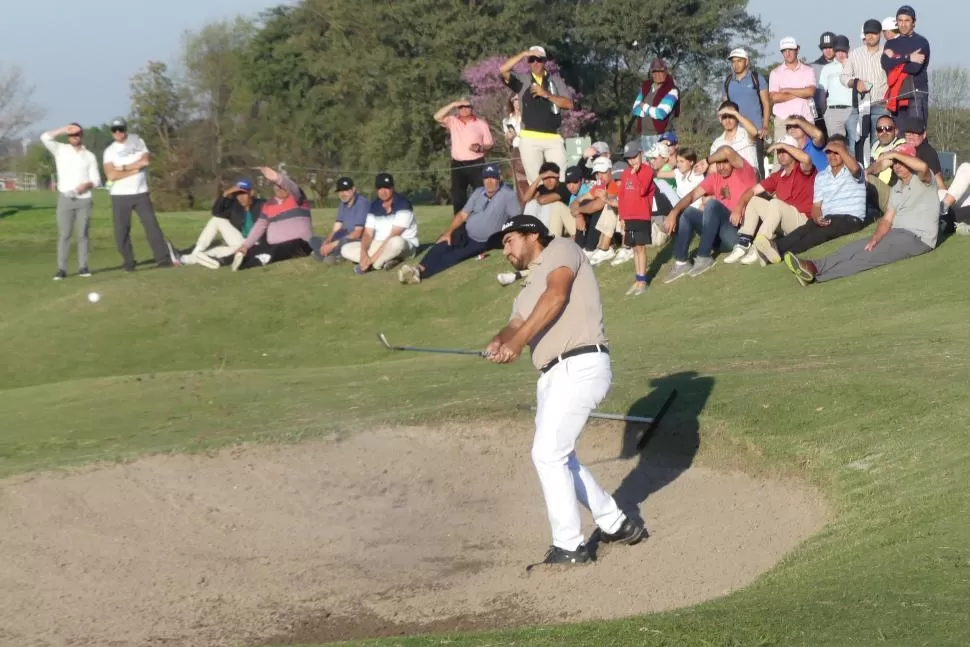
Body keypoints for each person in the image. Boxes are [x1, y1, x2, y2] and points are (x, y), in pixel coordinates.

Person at [483, 215, 646, 568]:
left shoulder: (562, 249)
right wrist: (501, 340)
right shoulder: (528, 287)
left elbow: (557, 295)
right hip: (552, 375)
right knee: (560, 457)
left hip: (580, 363)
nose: (504, 250)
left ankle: (570, 546)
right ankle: (616, 523)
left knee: (547, 453)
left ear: (531, 235)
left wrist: (519, 341)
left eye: (509, 240)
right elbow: (515, 323)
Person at [785, 143, 938, 285]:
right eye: (895, 163)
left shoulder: (923, 178)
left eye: (900, 162)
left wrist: (893, 154)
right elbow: (887, 219)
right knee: (855, 247)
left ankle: (817, 277)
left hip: (919, 237)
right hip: (897, 233)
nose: (897, 166)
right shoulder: (897, 187)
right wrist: (876, 238)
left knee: (868, 257)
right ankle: (814, 266)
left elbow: (923, 166)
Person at [397, 164, 519, 284]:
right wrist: (448, 232)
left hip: (483, 241)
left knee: (454, 256)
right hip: (466, 231)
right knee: (443, 242)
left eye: (493, 178)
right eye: (487, 178)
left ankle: (422, 274)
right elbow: (462, 215)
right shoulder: (478, 192)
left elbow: (517, 218)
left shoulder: (508, 196)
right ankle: (417, 269)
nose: (490, 182)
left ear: (500, 178)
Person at [662, 146, 758, 283]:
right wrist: (673, 212)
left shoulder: (744, 172)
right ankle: (681, 263)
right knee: (688, 212)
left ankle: (703, 256)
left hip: (736, 235)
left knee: (712, 205)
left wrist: (707, 161)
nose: (721, 167)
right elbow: (692, 196)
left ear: (733, 162)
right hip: (716, 237)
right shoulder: (715, 178)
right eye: (718, 163)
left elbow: (727, 151)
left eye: (725, 162)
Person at [724, 136, 816, 265]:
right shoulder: (778, 175)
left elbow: (806, 159)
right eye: (778, 152)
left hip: (802, 222)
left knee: (775, 202)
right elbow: (751, 191)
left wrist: (783, 145)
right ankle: (745, 242)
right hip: (783, 222)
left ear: (794, 151)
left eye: (784, 151)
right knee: (754, 200)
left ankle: (759, 246)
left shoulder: (803, 170)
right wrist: (739, 207)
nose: (781, 155)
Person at [102, 117, 177, 271]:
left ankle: (162, 258)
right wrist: (133, 169)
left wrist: (122, 168)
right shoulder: (109, 151)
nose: (118, 132)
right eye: (114, 130)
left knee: (152, 226)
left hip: (141, 193)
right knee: (121, 231)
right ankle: (129, 262)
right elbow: (111, 175)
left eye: (121, 129)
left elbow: (145, 162)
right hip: (120, 196)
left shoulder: (137, 142)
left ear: (125, 130)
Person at [774, 136, 866, 260]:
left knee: (818, 235)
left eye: (837, 151)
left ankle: (786, 255)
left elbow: (855, 169)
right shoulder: (822, 176)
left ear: (845, 152)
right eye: (829, 151)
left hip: (851, 218)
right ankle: (775, 248)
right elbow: (816, 206)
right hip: (829, 217)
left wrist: (839, 147)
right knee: (804, 229)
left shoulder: (855, 167)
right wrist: (817, 217)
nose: (832, 155)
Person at [500, 46, 574, 182]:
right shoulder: (522, 80)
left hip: (553, 137)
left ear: (545, 61)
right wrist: (523, 54)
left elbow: (569, 104)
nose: (535, 63)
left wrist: (546, 94)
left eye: (539, 59)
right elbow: (502, 70)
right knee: (536, 182)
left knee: (561, 179)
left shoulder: (555, 81)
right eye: (531, 59)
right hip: (530, 138)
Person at [41, 123, 101, 280]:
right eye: (72, 134)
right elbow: (45, 137)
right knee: (65, 234)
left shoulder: (89, 156)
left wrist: (86, 185)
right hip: (65, 199)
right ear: (68, 136)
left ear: (82, 135)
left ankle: (83, 266)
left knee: (82, 235)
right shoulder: (60, 149)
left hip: (84, 200)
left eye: (77, 134)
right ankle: (61, 269)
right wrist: (62, 129)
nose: (75, 137)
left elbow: (97, 180)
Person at [232, 167, 313, 270]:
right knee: (254, 250)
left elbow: (292, 187)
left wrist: (277, 178)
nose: (279, 188)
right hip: (274, 245)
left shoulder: (298, 198)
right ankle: (224, 260)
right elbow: (259, 226)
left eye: (282, 186)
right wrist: (246, 246)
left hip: (301, 244)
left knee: (281, 249)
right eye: (276, 186)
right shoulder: (268, 205)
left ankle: (252, 262)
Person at [341, 172, 419, 273]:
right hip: (379, 243)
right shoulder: (374, 206)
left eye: (386, 188)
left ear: (393, 188)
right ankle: (386, 260)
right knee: (345, 249)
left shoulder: (403, 204)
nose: (383, 191)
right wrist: (363, 253)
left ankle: (374, 265)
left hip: (404, 245)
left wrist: (371, 260)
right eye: (380, 188)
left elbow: (393, 235)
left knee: (396, 242)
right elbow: (368, 233)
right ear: (376, 189)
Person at [180, 179, 265, 269]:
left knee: (220, 251)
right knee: (216, 220)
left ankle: (189, 259)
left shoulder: (262, 205)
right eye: (238, 195)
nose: (241, 198)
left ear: (251, 193)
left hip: (255, 244)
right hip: (240, 240)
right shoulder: (235, 206)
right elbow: (216, 213)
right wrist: (225, 194)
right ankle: (196, 252)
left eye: (243, 194)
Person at [434, 99, 494, 214]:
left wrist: (480, 148)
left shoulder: (481, 124)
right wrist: (452, 104)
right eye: (461, 107)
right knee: (458, 197)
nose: (464, 109)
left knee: (481, 193)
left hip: (476, 163)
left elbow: (489, 145)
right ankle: (459, 227)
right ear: (458, 109)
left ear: (472, 108)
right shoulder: (453, 121)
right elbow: (436, 117)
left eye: (467, 106)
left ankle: (483, 220)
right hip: (458, 164)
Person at [842, 19, 890, 161]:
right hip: (859, 107)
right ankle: (855, 179)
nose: (870, 36)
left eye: (873, 33)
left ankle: (874, 180)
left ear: (880, 34)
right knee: (855, 145)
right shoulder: (855, 54)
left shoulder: (886, 53)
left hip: (880, 105)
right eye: (867, 33)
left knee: (877, 147)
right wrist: (855, 82)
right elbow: (844, 76)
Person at [881, 5, 930, 131]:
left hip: (915, 94)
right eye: (900, 20)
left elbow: (914, 68)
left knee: (916, 135)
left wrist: (895, 59)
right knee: (899, 136)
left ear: (914, 22)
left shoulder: (921, 42)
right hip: (897, 96)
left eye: (907, 20)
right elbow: (885, 65)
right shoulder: (891, 43)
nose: (903, 24)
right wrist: (908, 57)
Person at [617, 140, 656, 296]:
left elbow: (641, 190)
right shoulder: (626, 173)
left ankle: (643, 279)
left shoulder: (647, 171)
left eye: (634, 156)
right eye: (629, 158)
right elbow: (622, 196)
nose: (632, 161)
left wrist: (636, 173)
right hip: (630, 216)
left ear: (641, 154)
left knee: (640, 247)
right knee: (633, 247)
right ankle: (638, 279)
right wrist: (622, 216)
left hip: (641, 215)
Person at [724, 48, 771, 178]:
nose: (736, 64)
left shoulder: (756, 78)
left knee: (757, 166)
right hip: (735, 132)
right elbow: (725, 107)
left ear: (747, 62)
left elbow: (766, 104)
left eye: (739, 61)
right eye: (733, 61)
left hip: (755, 131)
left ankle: (761, 195)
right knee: (735, 167)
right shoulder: (728, 81)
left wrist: (765, 126)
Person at [310, 176, 368, 265]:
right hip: (343, 234)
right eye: (340, 191)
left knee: (344, 240)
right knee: (313, 240)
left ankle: (335, 256)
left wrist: (333, 245)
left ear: (353, 189)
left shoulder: (362, 204)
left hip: (356, 238)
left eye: (346, 190)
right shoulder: (342, 204)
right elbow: (337, 227)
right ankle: (331, 254)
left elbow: (358, 233)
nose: (343, 194)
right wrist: (328, 241)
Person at [769, 38, 817, 146]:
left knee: (808, 157)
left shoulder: (808, 70)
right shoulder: (775, 73)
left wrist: (787, 90)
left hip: (806, 119)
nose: (788, 53)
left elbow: (810, 92)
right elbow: (775, 97)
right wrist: (800, 93)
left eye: (790, 50)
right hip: (783, 120)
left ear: (797, 49)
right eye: (784, 51)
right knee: (782, 157)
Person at [819, 36, 855, 149]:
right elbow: (821, 91)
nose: (841, 54)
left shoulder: (855, 65)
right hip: (833, 112)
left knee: (855, 144)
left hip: (852, 110)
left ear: (848, 50)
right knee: (836, 145)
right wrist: (824, 111)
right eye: (838, 51)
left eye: (843, 51)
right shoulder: (827, 68)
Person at [632, 58, 680, 143]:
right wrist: (651, 111)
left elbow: (660, 114)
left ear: (665, 72)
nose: (658, 74)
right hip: (643, 136)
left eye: (661, 71)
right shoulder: (645, 88)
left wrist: (644, 107)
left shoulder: (672, 90)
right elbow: (635, 109)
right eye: (655, 71)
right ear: (651, 73)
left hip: (662, 136)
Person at [711, 101, 760, 171]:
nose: (727, 121)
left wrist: (735, 113)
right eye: (724, 117)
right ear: (720, 119)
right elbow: (714, 169)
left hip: (749, 177)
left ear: (737, 117)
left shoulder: (746, 134)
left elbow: (754, 132)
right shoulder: (716, 144)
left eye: (731, 116)